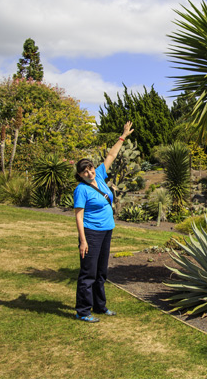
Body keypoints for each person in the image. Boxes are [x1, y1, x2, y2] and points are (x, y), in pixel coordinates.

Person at [74, 121, 132, 323]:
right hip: (91, 233)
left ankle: (99, 306)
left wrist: (123, 136)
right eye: (85, 172)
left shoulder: (99, 174)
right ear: (80, 175)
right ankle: (82, 311)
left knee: (101, 272)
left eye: (89, 169)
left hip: (107, 230)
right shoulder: (81, 189)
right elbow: (79, 215)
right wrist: (83, 240)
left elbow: (111, 156)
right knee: (88, 273)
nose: (89, 173)